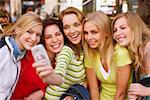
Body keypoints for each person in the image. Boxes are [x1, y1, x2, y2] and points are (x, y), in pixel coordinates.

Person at [33, 7, 87, 99]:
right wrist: (51, 77)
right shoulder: (66, 51)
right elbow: (59, 73)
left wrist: (73, 95)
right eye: (66, 27)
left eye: (76, 24)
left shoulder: (83, 50)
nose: (72, 31)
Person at [82, 11, 132, 100]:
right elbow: (94, 90)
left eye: (94, 32)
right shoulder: (90, 54)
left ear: (105, 32)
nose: (89, 37)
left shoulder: (120, 53)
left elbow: (121, 94)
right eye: (86, 33)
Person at [10, 18, 64, 99]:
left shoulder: (63, 58)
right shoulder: (28, 54)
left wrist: (42, 92)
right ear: (43, 39)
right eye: (48, 37)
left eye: (58, 34)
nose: (55, 40)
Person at [0, 12, 43, 100]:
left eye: (38, 35)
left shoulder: (21, 54)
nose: (34, 39)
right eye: (29, 32)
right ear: (17, 29)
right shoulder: (2, 51)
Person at [111, 12, 150, 100]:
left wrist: (147, 91)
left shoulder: (148, 49)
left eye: (123, 28)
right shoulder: (134, 53)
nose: (118, 33)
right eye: (115, 30)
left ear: (135, 28)